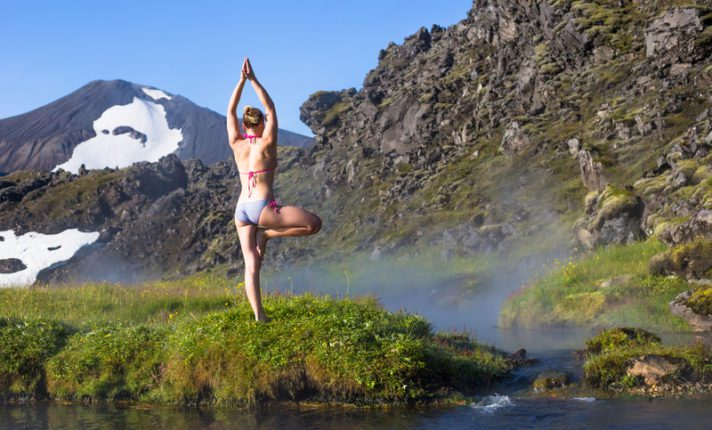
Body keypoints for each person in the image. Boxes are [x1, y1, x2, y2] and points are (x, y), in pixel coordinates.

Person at [227, 57, 322, 322]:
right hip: (263, 210)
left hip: (241, 211)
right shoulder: (268, 142)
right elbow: (270, 107)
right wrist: (254, 79)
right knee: (314, 224)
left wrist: (240, 81)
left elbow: (230, 110)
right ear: (261, 125)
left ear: (244, 125)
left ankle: (259, 316)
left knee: (251, 266)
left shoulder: (237, 143)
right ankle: (268, 235)